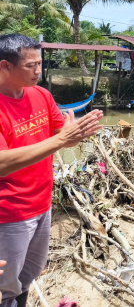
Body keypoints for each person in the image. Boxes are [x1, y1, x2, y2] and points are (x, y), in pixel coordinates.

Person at [0, 34, 103, 307]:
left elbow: (62, 132)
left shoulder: (41, 95)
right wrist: (61, 140)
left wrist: (77, 132)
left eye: (40, 64)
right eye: (30, 65)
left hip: (42, 204)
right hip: (9, 212)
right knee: (4, 287)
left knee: (27, 276)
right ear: (5, 66)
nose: (38, 71)